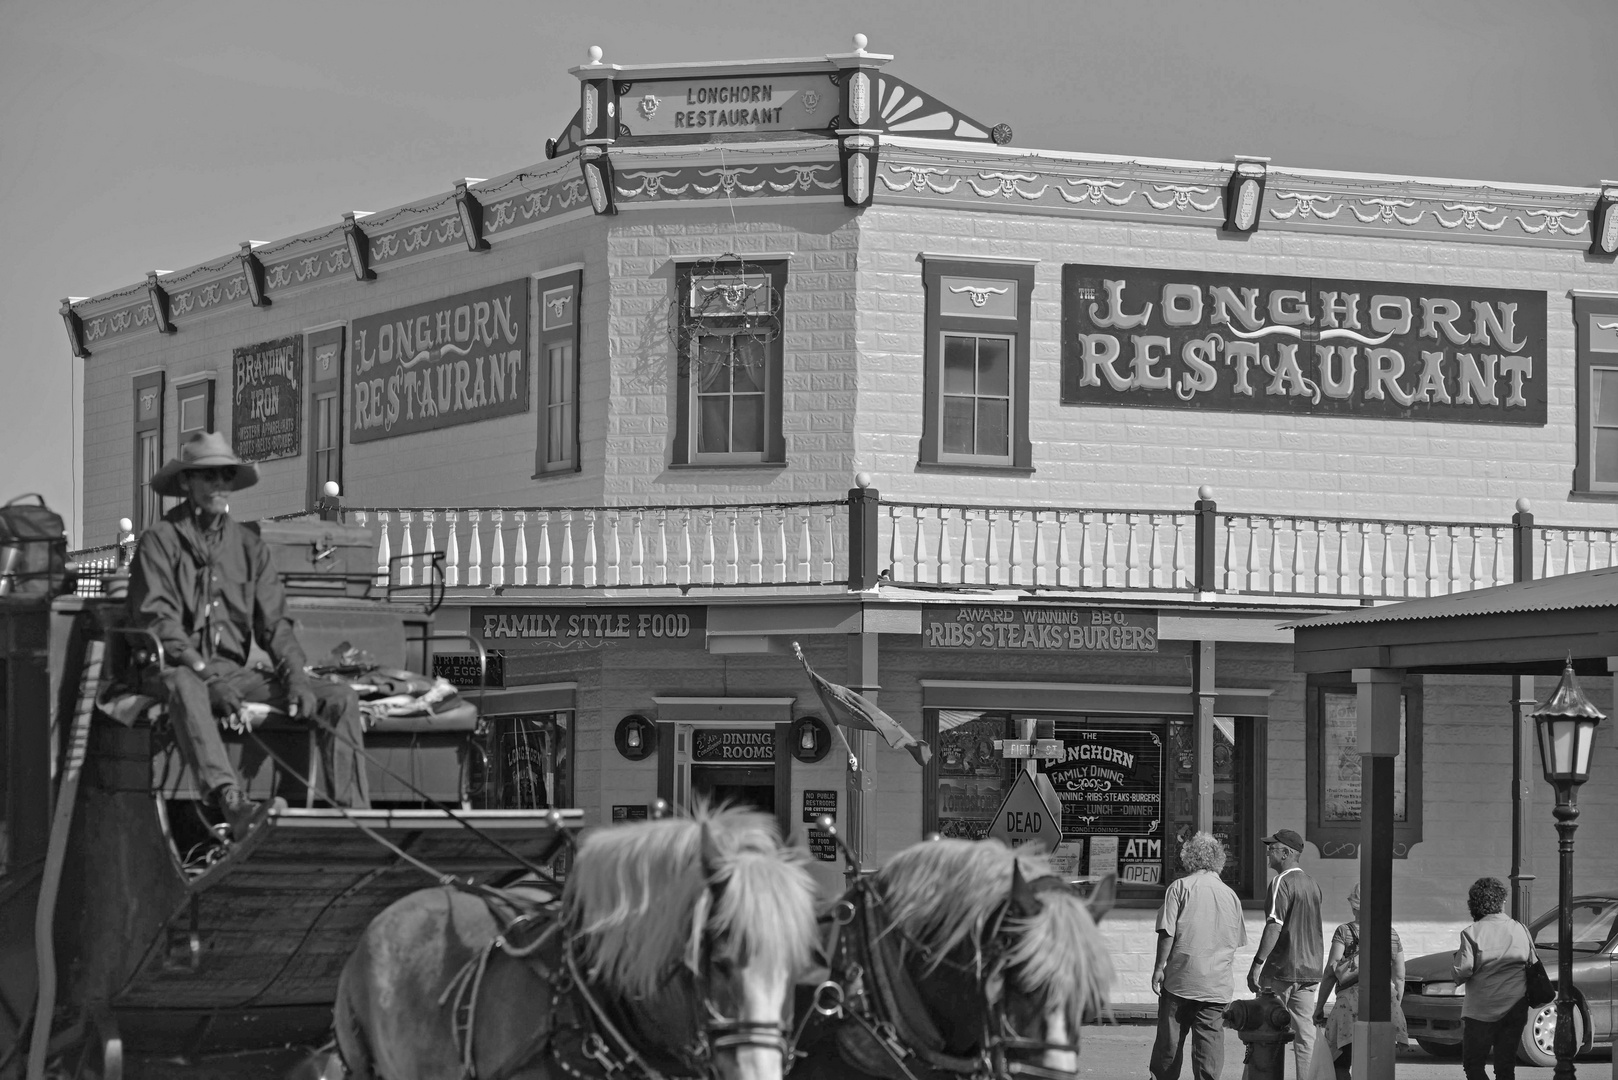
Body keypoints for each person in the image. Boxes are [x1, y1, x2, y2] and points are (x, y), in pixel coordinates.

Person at [127, 431, 370, 840]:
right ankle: (231, 802)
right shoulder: (158, 542)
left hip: (232, 673)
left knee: (339, 697)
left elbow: (275, 624)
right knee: (186, 683)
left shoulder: (249, 547)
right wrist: (207, 677)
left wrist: (294, 677)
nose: (220, 485)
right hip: (172, 671)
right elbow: (159, 624)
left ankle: (354, 823)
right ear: (186, 482)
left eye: (226, 475)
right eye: (209, 476)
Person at [1150, 831, 1248, 1080]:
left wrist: (1159, 967)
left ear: (1189, 858)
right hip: (1216, 985)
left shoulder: (1179, 888)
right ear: (1218, 861)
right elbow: (1235, 942)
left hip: (1181, 979)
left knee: (1169, 1045)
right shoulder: (1231, 896)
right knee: (1209, 1048)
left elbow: (1167, 933)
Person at [1246, 828, 1323, 1079]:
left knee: (1265, 1029)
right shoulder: (1313, 883)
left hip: (1282, 968)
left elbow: (1275, 926)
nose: (1268, 853)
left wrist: (1257, 964)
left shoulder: (1282, 881)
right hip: (1310, 970)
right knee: (1305, 1035)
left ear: (1287, 853)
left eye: (1272, 848)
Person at [1311, 882, 1407, 1080]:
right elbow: (1399, 976)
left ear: (1354, 905)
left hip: (1349, 1004)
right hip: (1384, 1003)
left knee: (1341, 1062)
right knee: (1378, 1064)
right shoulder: (1391, 935)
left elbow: (1331, 971)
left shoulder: (1344, 932)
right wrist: (1396, 1005)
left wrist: (1319, 1006)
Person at [1452, 876, 1532, 1080]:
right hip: (1515, 1007)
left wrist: (1455, 967)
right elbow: (1532, 962)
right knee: (1506, 1066)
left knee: (1473, 1065)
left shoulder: (1471, 933)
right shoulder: (1520, 929)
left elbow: (1463, 971)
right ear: (1502, 902)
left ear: (1474, 904)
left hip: (1481, 1010)